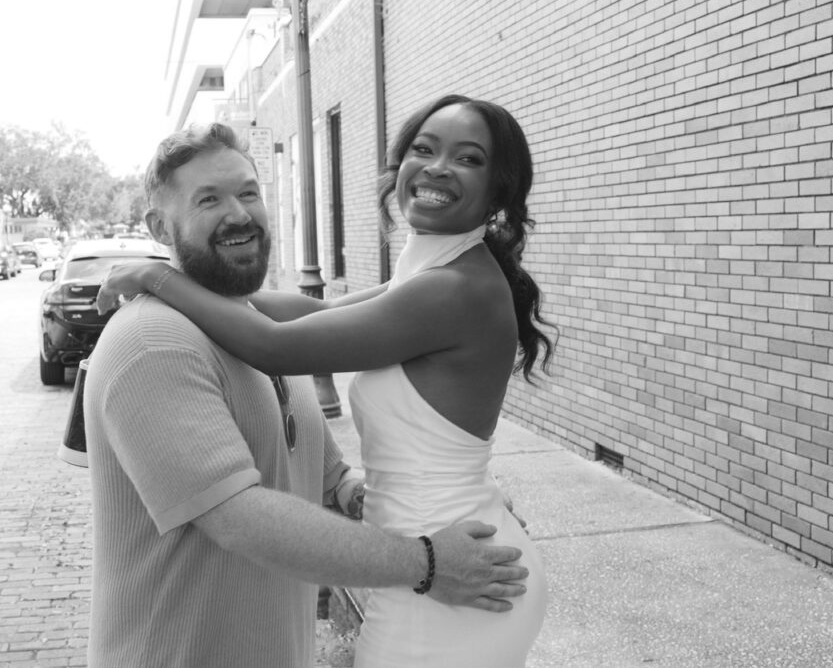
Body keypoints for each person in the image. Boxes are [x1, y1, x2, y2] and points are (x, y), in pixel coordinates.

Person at [97, 95, 555, 667]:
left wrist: (157, 276)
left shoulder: (453, 287)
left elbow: (279, 346)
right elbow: (310, 314)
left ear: (499, 192)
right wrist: (352, 489)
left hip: (456, 580)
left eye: (468, 158)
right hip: (442, 565)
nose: (438, 167)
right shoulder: (432, 269)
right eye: (424, 148)